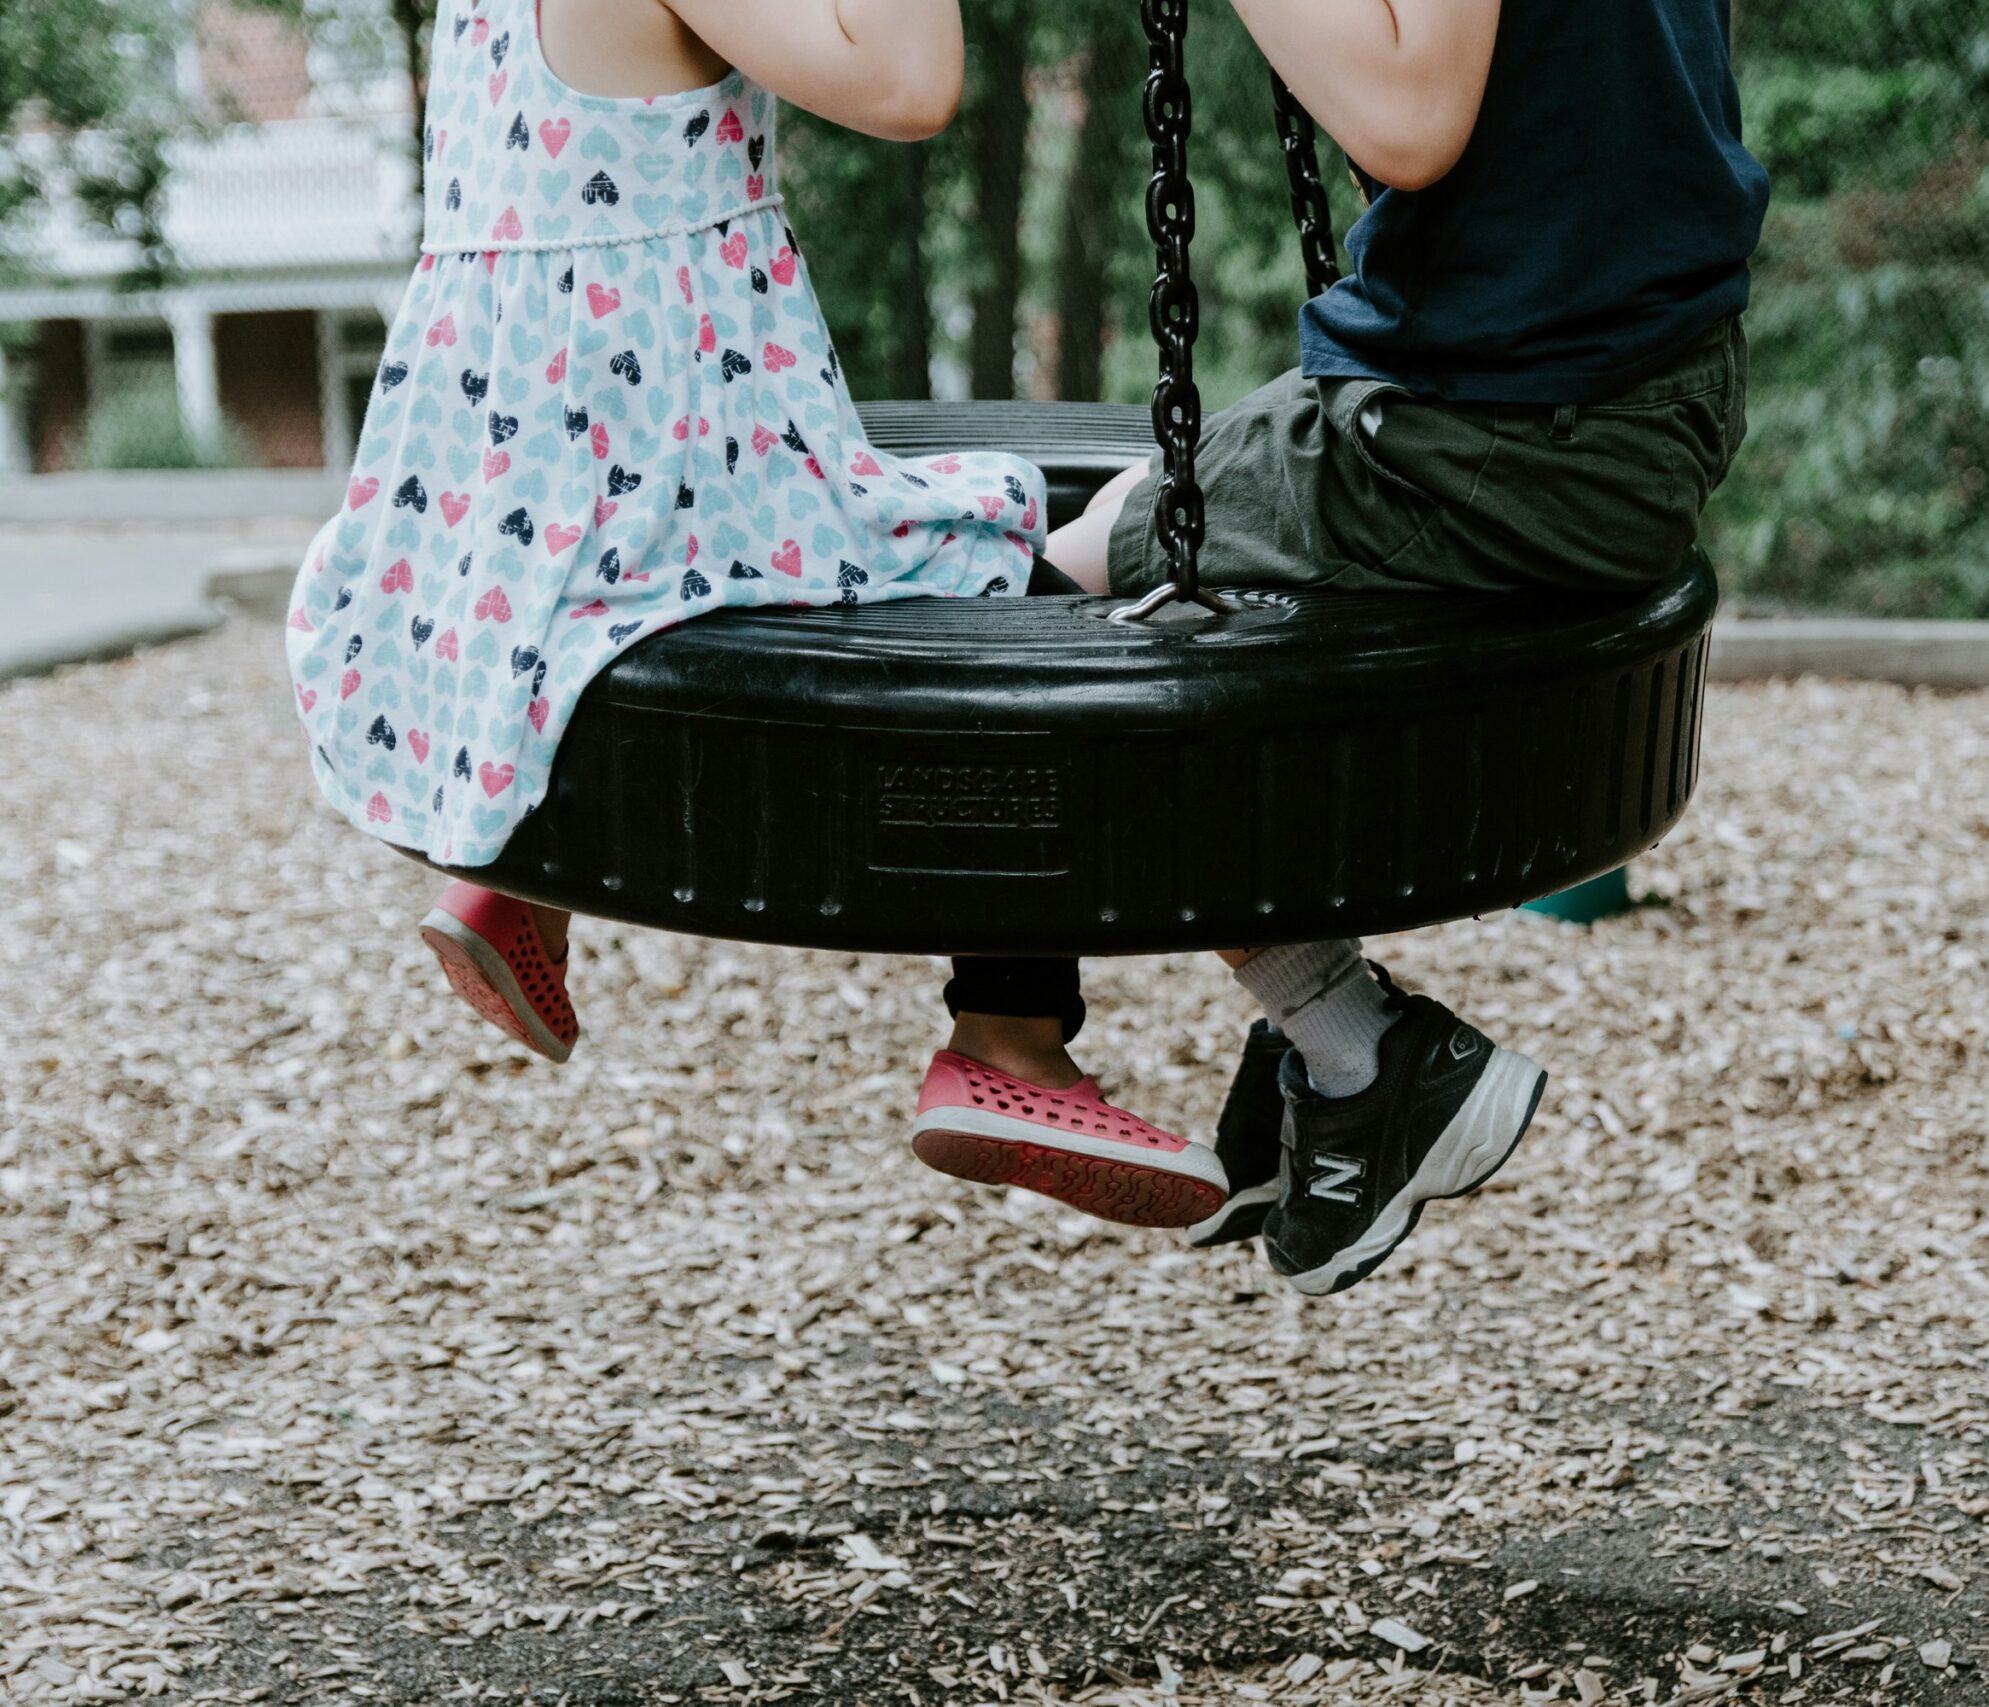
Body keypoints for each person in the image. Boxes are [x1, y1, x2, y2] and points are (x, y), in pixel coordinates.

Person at [283, 0, 1228, 1230]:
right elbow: (908, 87)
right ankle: (1012, 1038)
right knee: (1007, 583)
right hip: (674, 453)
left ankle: (520, 859)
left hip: (517, 491)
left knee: (636, 602)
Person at [1045, 0, 1769, 1295]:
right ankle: (1329, 1053)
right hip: (1626, 380)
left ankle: (1356, 1052)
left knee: (1084, 583)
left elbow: (1408, 119)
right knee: (1132, 527)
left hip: (1519, 431)